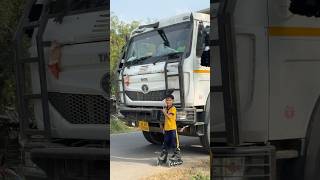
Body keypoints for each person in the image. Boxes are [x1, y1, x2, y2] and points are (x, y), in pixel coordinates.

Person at [157, 94, 183, 166]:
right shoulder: (166, 109)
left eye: (170, 100)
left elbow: (169, 117)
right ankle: (164, 156)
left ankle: (177, 157)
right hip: (166, 130)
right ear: (165, 101)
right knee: (165, 143)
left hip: (172, 129)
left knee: (174, 144)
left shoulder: (173, 108)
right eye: (167, 100)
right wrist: (162, 128)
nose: (168, 101)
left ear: (172, 101)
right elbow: (164, 120)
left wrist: (164, 112)